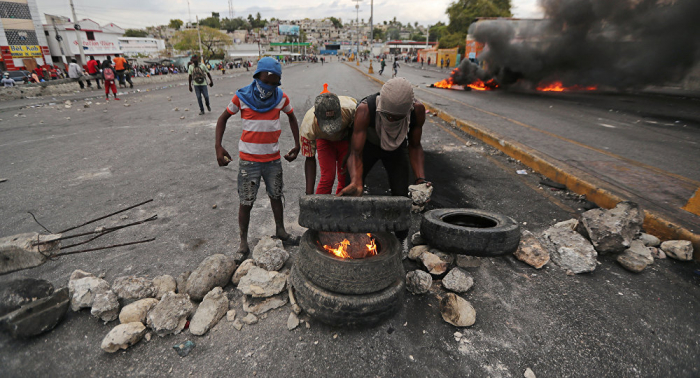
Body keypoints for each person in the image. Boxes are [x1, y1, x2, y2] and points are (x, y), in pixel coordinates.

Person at [214, 57, 301, 258]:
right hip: (249, 161)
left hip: (273, 160)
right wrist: (218, 146)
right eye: (265, 81)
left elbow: (292, 117)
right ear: (256, 77)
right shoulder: (242, 97)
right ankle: (243, 242)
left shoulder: (281, 98)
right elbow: (222, 118)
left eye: (274, 83)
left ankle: (280, 231)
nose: (269, 86)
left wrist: (297, 145)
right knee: (246, 201)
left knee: (276, 196)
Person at [340, 78, 430, 250]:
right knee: (351, 187)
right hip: (369, 146)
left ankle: (401, 237)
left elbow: (415, 145)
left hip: (396, 148)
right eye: (389, 116)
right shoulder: (366, 109)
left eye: (397, 118)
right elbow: (356, 152)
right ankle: (349, 233)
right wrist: (357, 181)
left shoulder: (416, 110)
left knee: (401, 194)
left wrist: (420, 180)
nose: (392, 119)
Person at [300, 84, 357, 195]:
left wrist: (350, 151)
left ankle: (342, 207)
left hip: (345, 139)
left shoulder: (352, 109)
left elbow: (357, 131)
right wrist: (309, 197)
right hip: (324, 141)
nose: (332, 131)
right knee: (327, 177)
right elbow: (309, 159)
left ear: (340, 111)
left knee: (344, 177)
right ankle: (318, 209)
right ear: (316, 115)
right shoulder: (308, 126)